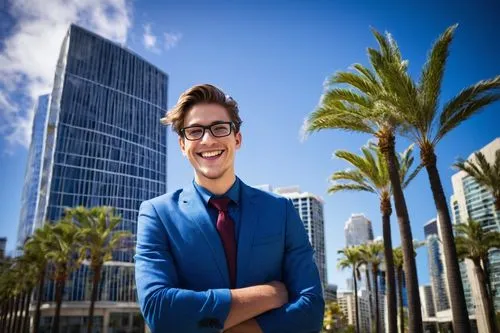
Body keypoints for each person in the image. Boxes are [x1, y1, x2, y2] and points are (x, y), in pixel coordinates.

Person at [135, 84, 324, 333]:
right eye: (194, 131)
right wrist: (269, 294)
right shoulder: (156, 214)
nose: (208, 139)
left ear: (237, 138)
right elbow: (159, 311)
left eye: (219, 128)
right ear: (182, 145)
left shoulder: (282, 211)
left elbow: (310, 312)